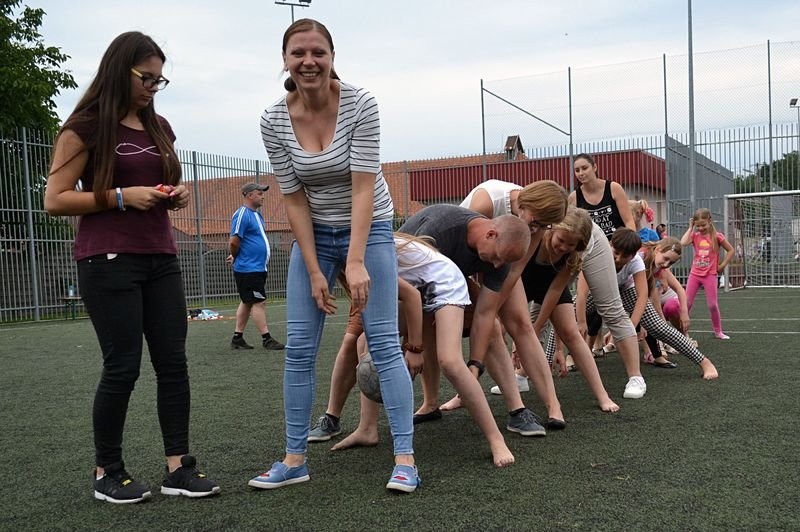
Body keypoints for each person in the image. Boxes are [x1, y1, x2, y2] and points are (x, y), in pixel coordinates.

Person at [44, 31, 219, 504]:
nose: (152, 87)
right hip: (107, 260)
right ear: (119, 69)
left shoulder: (160, 126)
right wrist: (121, 197)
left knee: (173, 364)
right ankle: (108, 472)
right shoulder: (84, 127)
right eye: (146, 77)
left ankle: (178, 468)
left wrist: (175, 194)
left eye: (160, 81)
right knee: (122, 366)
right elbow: (55, 200)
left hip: (161, 256)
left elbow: (163, 181)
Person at [251, 18, 419, 492]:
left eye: (318, 53)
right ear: (285, 60)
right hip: (314, 233)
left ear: (331, 58)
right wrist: (313, 269)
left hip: (370, 228)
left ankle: (405, 459)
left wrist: (355, 260)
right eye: (298, 53)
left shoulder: (361, 104)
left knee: (383, 342)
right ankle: (294, 460)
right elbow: (293, 198)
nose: (309, 62)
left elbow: (363, 188)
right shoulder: (272, 119)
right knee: (300, 349)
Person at [316, 234, 516, 467]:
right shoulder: (343, 256)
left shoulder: (363, 251)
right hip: (421, 287)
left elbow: (410, 296)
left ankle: (496, 439)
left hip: (444, 281)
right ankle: (367, 429)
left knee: (450, 361)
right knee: (365, 342)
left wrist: (415, 347)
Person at [398, 204, 558, 434]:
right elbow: (412, 290)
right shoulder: (440, 231)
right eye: (497, 258)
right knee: (423, 328)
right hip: (404, 284)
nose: (496, 266)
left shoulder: (502, 257)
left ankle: (517, 410)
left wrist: (475, 364)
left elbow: (485, 313)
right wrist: (413, 345)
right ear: (490, 234)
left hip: (448, 282)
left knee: (492, 328)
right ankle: (428, 405)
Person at [518, 207, 619, 411]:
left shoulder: (573, 255)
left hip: (552, 286)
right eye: (561, 240)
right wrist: (522, 327)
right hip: (521, 283)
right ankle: (465, 394)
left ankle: (602, 395)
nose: (563, 247)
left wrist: (537, 327)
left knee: (572, 334)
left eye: (570, 244)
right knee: (496, 330)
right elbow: (515, 275)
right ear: (553, 229)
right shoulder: (535, 236)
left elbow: (555, 290)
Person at [586, 229, 719, 380]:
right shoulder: (609, 255)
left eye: (671, 262)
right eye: (666, 259)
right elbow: (582, 292)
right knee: (571, 316)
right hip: (602, 288)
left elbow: (646, 294)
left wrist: (635, 325)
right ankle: (567, 357)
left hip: (627, 289)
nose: (666, 264)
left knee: (659, 327)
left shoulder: (640, 262)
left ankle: (704, 362)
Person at [227, 182, 285, 351]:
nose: (263, 196)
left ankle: (237, 338)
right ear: (249, 195)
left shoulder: (257, 216)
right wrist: (235, 255)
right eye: (259, 193)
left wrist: (236, 255)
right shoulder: (242, 214)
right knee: (259, 302)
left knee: (247, 302)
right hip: (248, 268)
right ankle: (267, 339)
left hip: (257, 267)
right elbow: (234, 241)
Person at [680, 208, 734, 340]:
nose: (700, 228)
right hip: (695, 274)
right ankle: (681, 331)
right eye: (697, 226)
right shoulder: (695, 235)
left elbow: (730, 250)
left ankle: (718, 331)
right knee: (687, 303)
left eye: (703, 225)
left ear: (710, 221)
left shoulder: (717, 236)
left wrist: (722, 265)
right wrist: (690, 227)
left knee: (712, 305)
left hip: (710, 275)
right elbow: (683, 242)